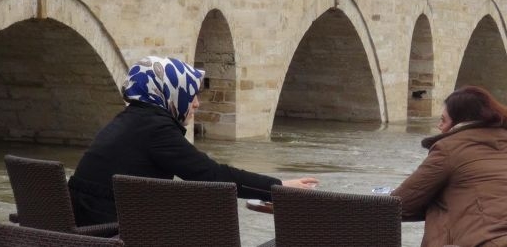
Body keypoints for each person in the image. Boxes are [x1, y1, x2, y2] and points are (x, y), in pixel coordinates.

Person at [68, 56, 319, 226]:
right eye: (191, 94)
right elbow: (213, 175)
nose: (197, 103)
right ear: (170, 92)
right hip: (114, 231)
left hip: (89, 225)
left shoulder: (129, 120)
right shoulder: (155, 129)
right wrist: (279, 186)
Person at [391, 86, 507, 247]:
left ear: (459, 122)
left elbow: (400, 205)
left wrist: (435, 200)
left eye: (443, 120)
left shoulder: (450, 147)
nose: (439, 126)